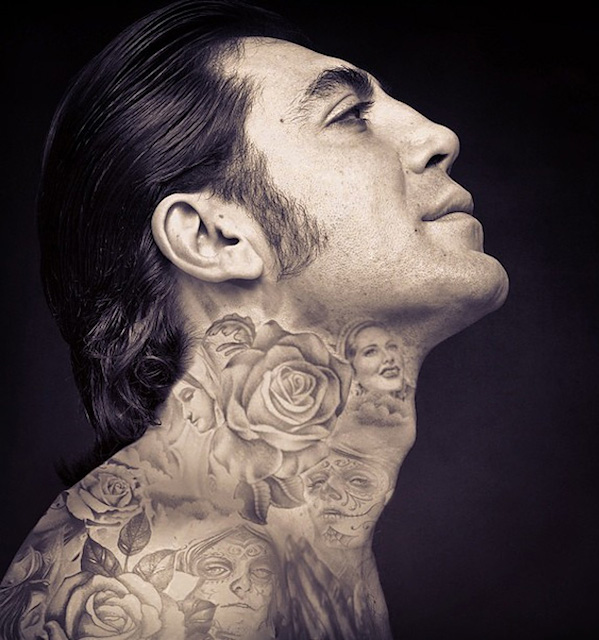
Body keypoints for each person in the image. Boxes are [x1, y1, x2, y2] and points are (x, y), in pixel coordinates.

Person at [0, 0, 508, 637]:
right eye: (349, 116)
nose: (439, 138)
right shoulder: (161, 579)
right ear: (213, 237)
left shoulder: (284, 543)